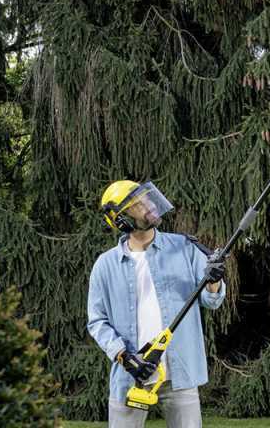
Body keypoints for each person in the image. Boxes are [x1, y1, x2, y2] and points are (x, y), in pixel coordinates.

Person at [88, 180, 226, 428]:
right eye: (137, 205)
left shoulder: (185, 248)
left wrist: (214, 281)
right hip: (130, 375)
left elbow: (211, 301)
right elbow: (97, 321)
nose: (148, 206)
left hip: (180, 372)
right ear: (122, 221)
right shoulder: (105, 266)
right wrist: (125, 357)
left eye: (146, 199)